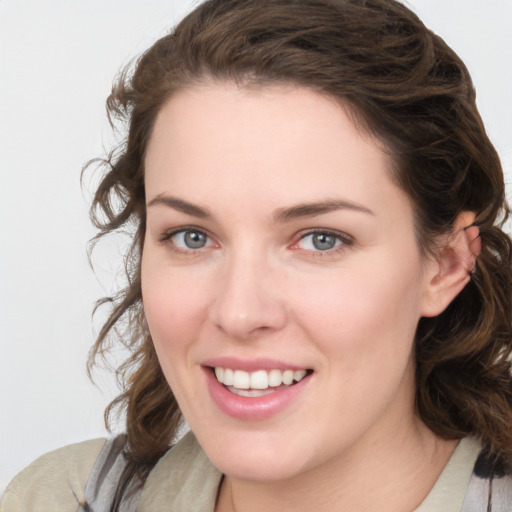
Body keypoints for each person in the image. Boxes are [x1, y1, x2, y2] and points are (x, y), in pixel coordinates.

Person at [3, 0, 512, 510]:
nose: (239, 313)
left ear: (444, 265)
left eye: (320, 239)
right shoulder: (60, 500)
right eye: (191, 237)